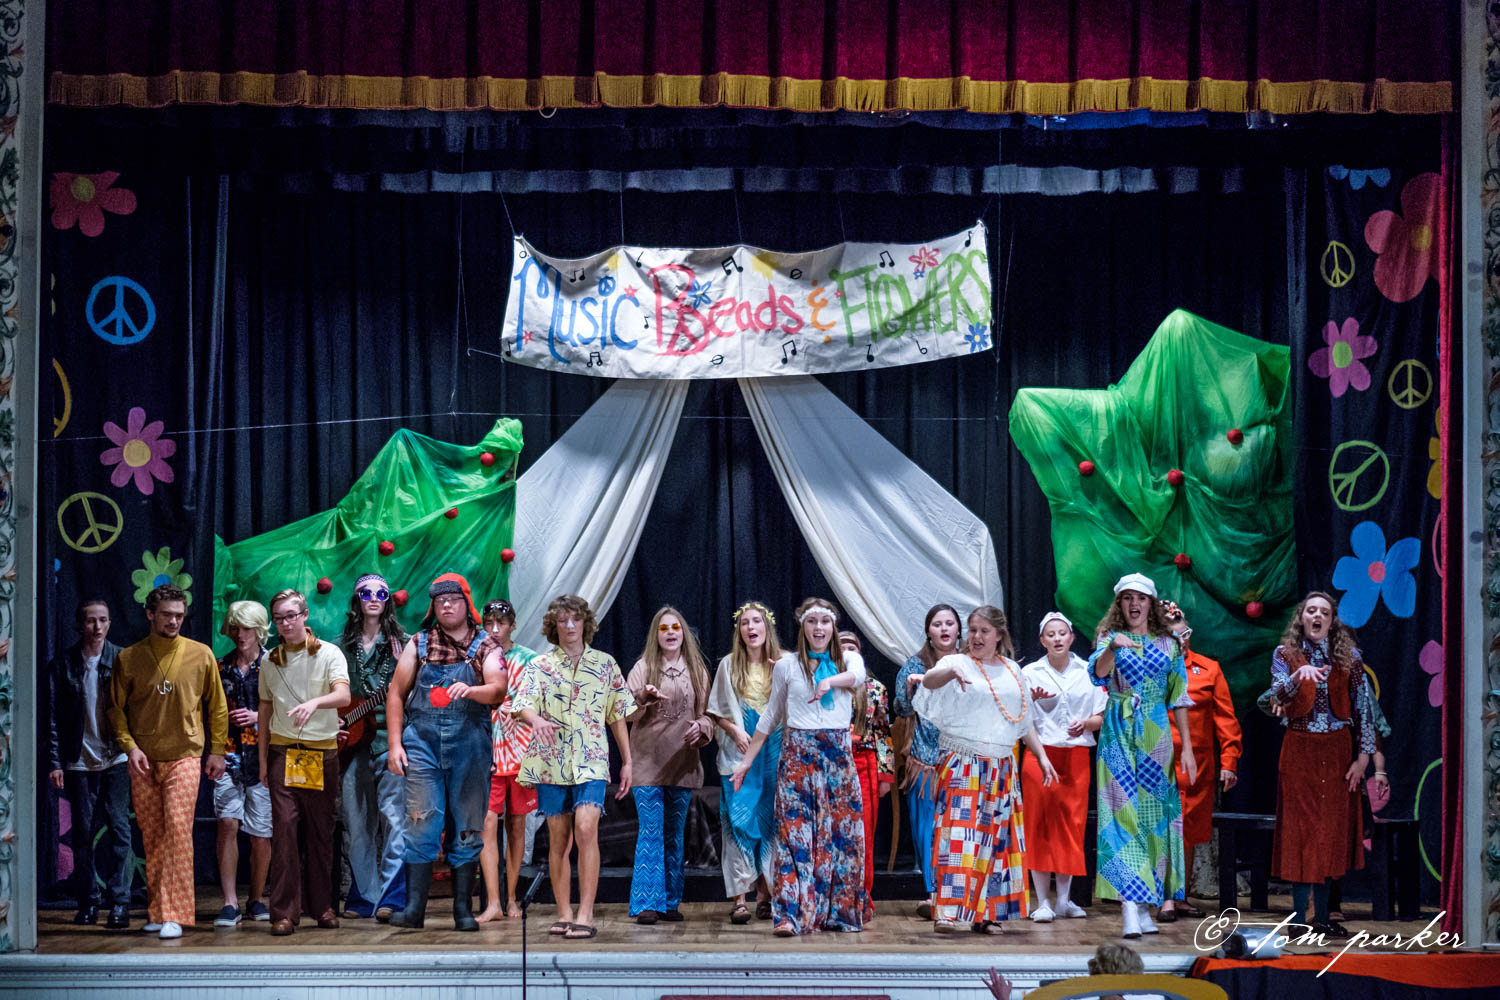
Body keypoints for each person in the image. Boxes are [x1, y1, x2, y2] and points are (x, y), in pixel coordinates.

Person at [732, 597, 873, 936]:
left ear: (833, 626)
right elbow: (771, 715)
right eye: (812, 622)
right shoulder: (787, 665)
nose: (819, 628)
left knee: (840, 836)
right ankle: (790, 914)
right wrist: (746, 762)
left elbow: (857, 676)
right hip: (798, 756)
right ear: (803, 626)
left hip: (836, 758)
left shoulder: (847, 659)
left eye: (825, 622)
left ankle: (837, 912)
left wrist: (829, 681)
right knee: (793, 834)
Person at [915, 605, 1056, 933]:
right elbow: (930, 681)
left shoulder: (1012, 670)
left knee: (996, 840)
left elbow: (1022, 721)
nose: (977, 637)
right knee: (957, 837)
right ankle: (947, 911)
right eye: (973, 630)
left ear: (999, 635)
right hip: (963, 761)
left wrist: (1042, 757)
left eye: (984, 631)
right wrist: (950, 672)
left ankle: (987, 914)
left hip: (1001, 766)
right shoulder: (957, 662)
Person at [512, 593, 636, 941]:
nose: (569, 626)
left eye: (575, 619)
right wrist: (536, 720)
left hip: (591, 760)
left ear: (585, 623)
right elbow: (523, 704)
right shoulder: (540, 665)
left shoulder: (605, 664)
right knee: (559, 839)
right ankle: (564, 911)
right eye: (563, 620)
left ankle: (586, 912)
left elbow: (617, 714)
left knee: (585, 828)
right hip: (552, 762)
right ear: (554, 625)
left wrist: (627, 761)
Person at [109, 584, 228, 939]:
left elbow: (217, 706)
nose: (174, 621)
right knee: (152, 834)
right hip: (144, 759)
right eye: (167, 615)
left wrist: (217, 750)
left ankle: (176, 913)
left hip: (185, 755)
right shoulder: (129, 658)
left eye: (179, 615)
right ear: (150, 615)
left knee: (177, 829)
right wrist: (130, 747)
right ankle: (158, 911)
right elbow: (114, 710)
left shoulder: (201, 654)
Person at [386, 573, 505, 931]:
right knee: (421, 821)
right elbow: (396, 694)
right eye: (440, 601)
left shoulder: (486, 646)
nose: (447, 605)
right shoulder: (419, 644)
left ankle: (463, 910)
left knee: (467, 826)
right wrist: (395, 745)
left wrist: (471, 691)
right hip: (422, 744)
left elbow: (498, 688)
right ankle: (414, 910)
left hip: (470, 746)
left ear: (466, 603)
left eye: (453, 599)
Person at [1089, 573, 1197, 940]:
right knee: (1120, 814)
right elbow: (1098, 674)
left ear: (1151, 604)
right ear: (1119, 604)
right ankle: (1128, 908)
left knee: (1153, 818)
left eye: (1141, 598)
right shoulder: (1110, 638)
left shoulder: (1169, 644)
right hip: (1119, 728)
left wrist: (1188, 749)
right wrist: (1112, 648)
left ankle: (1146, 903)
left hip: (1155, 733)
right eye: (1127, 598)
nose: (1134, 604)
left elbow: (1179, 696)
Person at [1269, 591, 1374, 938]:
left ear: (1332, 621)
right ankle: (1299, 919)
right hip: (1300, 749)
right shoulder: (1285, 655)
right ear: (1302, 618)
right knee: (1302, 833)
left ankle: (1323, 918)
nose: (1317, 616)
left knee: (1330, 833)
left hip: (1338, 751)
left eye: (1324, 612)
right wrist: (1298, 676)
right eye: (1311, 611)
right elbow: (1275, 696)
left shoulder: (1350, 659)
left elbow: (1364, 709)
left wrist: (1362, 758)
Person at [258, 589, 352, 936]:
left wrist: (315, 703)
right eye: (279, 618)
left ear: (305, 615)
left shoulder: (329, 653)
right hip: (283, 752)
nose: (285, 623)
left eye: (291, 615)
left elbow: (343, 695)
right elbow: (265, 709)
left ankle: (322, 906)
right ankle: (284, 911)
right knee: (284, 831)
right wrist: (262, 762)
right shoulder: (270, 660)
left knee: (320, 832)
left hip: (320, 753)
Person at [46, 598, 132, 929]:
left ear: (110, 623)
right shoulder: (64, 663)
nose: (97, 627)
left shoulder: (121, 659)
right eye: (91, 620)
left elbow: (135, 709)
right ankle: (88, 901)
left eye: (103, 620)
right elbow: (52, 716)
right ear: (80, 625)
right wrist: (56, 761)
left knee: (119, 829)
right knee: (83, 833)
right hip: (79, 760)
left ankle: (120, 903)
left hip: (116, 757)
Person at [625, 606, 713, 924]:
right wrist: (642, 697)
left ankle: (670, 901)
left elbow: (709, 715)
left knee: (674, 834)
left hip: (682, 763)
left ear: (683, 633)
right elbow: (624, 712)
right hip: (647, 763)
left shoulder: (697, 670)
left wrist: (701, 728)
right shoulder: (643, 667)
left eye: (676, 627)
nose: (671, 633)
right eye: (664, 628)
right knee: (650, 831)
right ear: (656, 635)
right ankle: (647, 903)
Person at [1157, 600, 1241, 923]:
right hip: (1158, 762)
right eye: (1172, 636)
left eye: (1184, 634)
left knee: (1187, 832)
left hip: (1197, 767)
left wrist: (1229, 762)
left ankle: (1179, 897)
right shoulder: (1151, 668)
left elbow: (1226, 720)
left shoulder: (1209, 669)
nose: (1181, 641)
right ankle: (1166, 897)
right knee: (1166, 829)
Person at [1021, 611, 1104, 922]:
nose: (1057, 638)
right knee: (1039, 825)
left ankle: (1064, 900)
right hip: (1039, 754)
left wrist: (1086, 723)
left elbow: (1100, 716)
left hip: (1076, 756)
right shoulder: (1030, 673)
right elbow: (1020, 717)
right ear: (1042, 640)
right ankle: (1042, 900)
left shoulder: (1088, 671)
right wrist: (1031, 698)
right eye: (1050, 634)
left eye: (1062, 633)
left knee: (1071, 826)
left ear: (1071, 637)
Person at [337, 574, 409, 921]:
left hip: (391, 740)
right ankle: (365, 895)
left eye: (381, 593)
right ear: (356, 600)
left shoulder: (403, 645)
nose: (374, 598)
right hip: (352, 745)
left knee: (395, 819)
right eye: (366, 593)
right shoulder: (338, 648)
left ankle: (392, 896)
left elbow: (415, 691)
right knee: (356, 822)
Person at [707, 600, 783, 924]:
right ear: (739, 630)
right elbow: (716, 710)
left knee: (771, 823)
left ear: (767, 627)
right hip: (740, 753)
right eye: (745, 623)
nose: (751, 627)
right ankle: (739, 898)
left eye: (757, 621)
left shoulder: (782, 663)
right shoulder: (729, 665)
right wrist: (734, 729)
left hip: (774, 752)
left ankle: (766, 895)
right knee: (738, 823)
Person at [892, 603, 961, 919]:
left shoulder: (969, 663)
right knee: (926, 829)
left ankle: (955, 892)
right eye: (937, 624)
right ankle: (932, 893)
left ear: (958, 630)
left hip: (961, 759)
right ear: (928, 632)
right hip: (925, 760)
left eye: (949, 623)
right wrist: (909, 691)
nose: (944, 629)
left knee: (957, 829)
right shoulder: (915, 664)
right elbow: (902, 710)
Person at [476, 598, 540, 922]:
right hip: (486, 752)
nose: (495, 629)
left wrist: (520, 710)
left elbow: (539, 699)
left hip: (520, 752)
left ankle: (512, 896)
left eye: (501, 623)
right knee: (487, 822)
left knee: (517, 823)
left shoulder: (529, 659)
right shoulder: (477, 657)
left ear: (513, 625)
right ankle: (493, 901)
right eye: (489, 623)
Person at [212, 600, 273, 927]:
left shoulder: (274, 664)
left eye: (247, 627)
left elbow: (290, 708)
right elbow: (209, 711)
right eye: (235, 627)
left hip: (264, 758)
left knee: (261, 833)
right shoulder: (220, 666)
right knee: (227, 823)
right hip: (228, 755)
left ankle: (256, 898)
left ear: (259, 629)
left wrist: (257, 717)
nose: (240, 634)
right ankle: (230, 901)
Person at [840, 629, 894, 898]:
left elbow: (883, 733)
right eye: (841, 648)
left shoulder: (875, 689)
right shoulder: (824, 684)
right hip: (833, 762)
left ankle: (862, 896)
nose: (847, 652)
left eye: (852, 648)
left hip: (864, 761)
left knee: (863, 832)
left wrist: (885, 774)